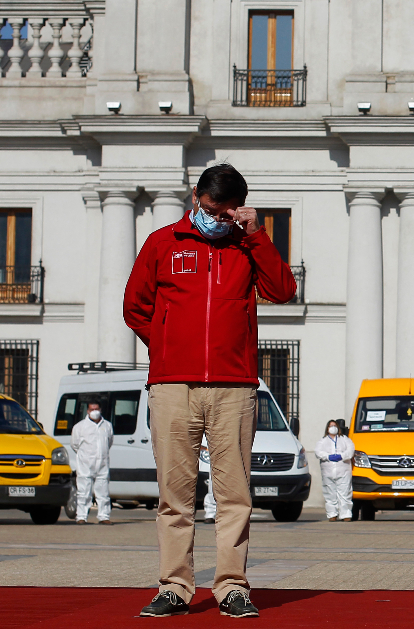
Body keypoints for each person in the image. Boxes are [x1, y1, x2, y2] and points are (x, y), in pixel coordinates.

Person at [124, 163, 297, 618]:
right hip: (172, 386)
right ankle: (174, 587)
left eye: (226, 213)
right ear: (195, 196)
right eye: (210, 209)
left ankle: (232, 587)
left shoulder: (246, 247)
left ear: (239, 211)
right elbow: (135, 306)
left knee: (234, 494)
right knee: (174, 495)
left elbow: (282, 290)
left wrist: (256, 235)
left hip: (234, 388)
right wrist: (167, 346)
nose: (216, 219)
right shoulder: (163, 243)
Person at [70, 402, 113, 525]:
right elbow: (75, 444)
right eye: (91, 409)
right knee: (83, 492)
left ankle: (104, 516)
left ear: (100, 409)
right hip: (85, 465)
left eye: (96, 408)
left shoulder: (107, 426)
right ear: (87, 411)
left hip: (102, 464)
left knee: (103, 492)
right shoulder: (80, 427)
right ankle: (81, 517)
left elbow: (109, 442)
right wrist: (86, 456)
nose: (94, 411)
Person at [314, 419, 355, 522]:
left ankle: (345, 514)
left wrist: (341, 456)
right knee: (330, 493)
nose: (333, 427)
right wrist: (328, 456)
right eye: (331, 426)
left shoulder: (345, 439)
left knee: (344, 493)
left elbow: (350, 451)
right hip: (328, 472)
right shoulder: (322, 441)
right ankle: (332, 514)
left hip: (343, 470)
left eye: (335, 425)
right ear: (327, 428)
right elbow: (318, 452)